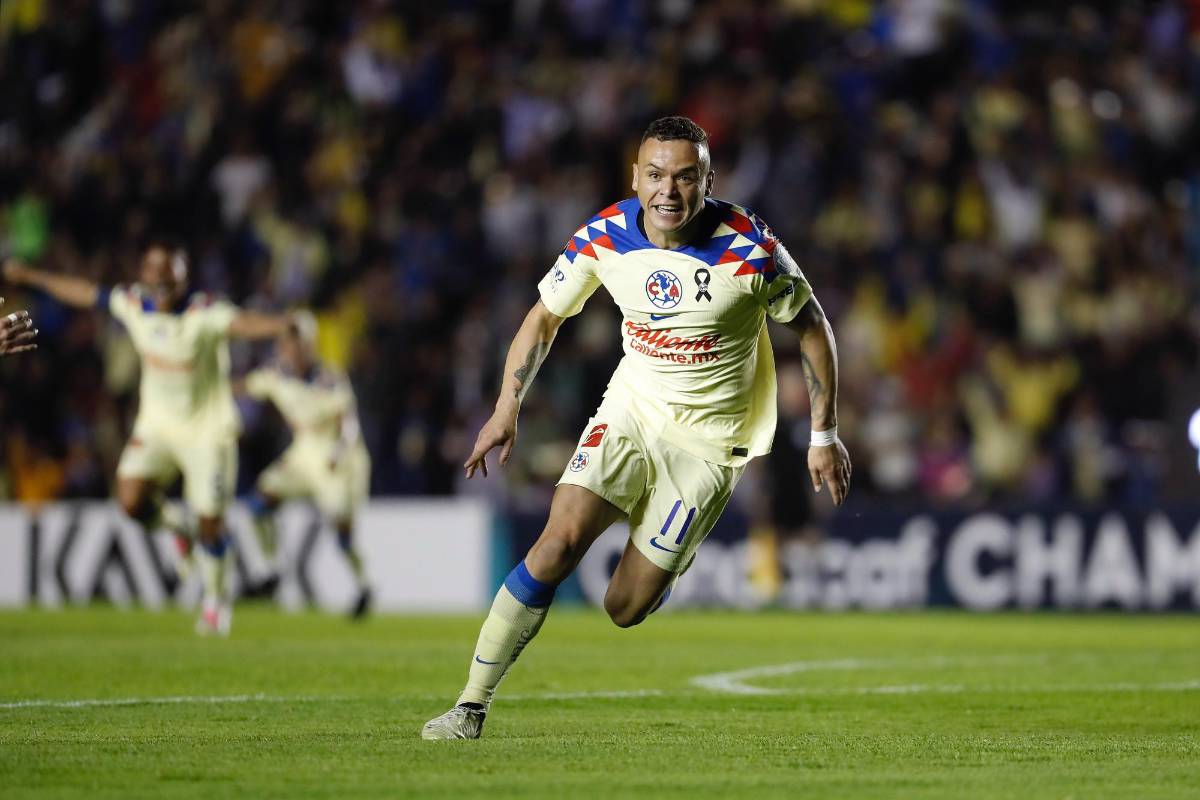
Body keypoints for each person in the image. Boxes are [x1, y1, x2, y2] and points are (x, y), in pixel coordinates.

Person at [421, 116, 851, 740]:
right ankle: (470, 704)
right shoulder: (603, 237)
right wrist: (505, 410)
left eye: (684, 177)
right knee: (559, 541)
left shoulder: (748, 247)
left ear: (708, 180)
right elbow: (544, 317)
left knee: (623, 607)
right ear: (635, 177)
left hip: (707, 444)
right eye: (654, 175)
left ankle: (665, 562)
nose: (667, 192)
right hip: (631, 411)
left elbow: (812, 326)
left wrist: (823, 433)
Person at [3, 245, 293, 635]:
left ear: (182, 278)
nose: (158, 281)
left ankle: (214, 602)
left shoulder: (203, 312)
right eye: (153, 273)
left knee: (212, 522)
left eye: (167, 275)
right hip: (156, 427)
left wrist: (279, 326)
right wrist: (31, 277)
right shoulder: (133, 303)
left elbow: (241, 323)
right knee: (130, 501)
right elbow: (84, 291)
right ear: (143, 274)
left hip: (207, 430)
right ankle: (178, 527)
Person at [238, 312, 372, 618]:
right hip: (302, 452)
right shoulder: (276, 375)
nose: (293, 349)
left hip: (333, 457)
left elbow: (349, 422)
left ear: (310, 345)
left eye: (298, 342)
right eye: (288, 342)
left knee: (342, 530)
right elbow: (246, 386)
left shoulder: (329, 377)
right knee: (259, 501)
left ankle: (363, 585)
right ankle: (271, 571)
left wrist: (338, 453)